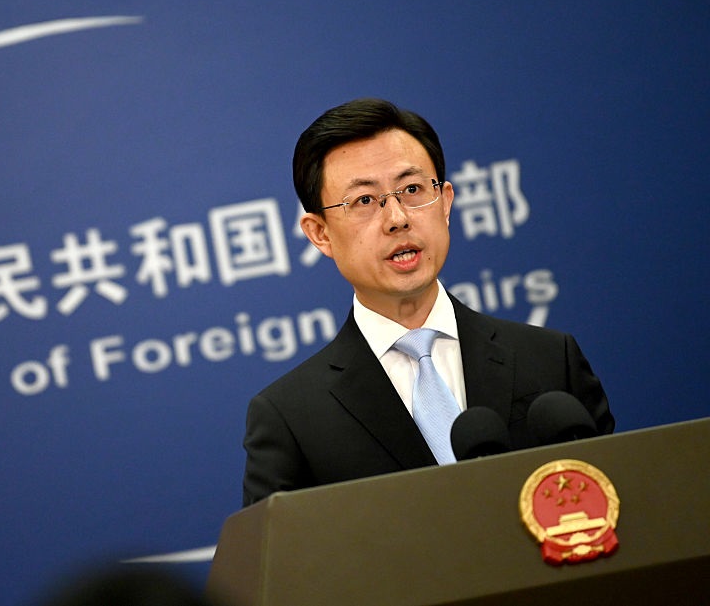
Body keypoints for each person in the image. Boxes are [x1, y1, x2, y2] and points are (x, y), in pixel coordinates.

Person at [242, 97, 613, 506]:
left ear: (446, 202)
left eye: (413, 190)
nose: (397, 218)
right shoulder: (291, 418)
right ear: (320, 234)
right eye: (364, 200)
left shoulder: (550, 361)